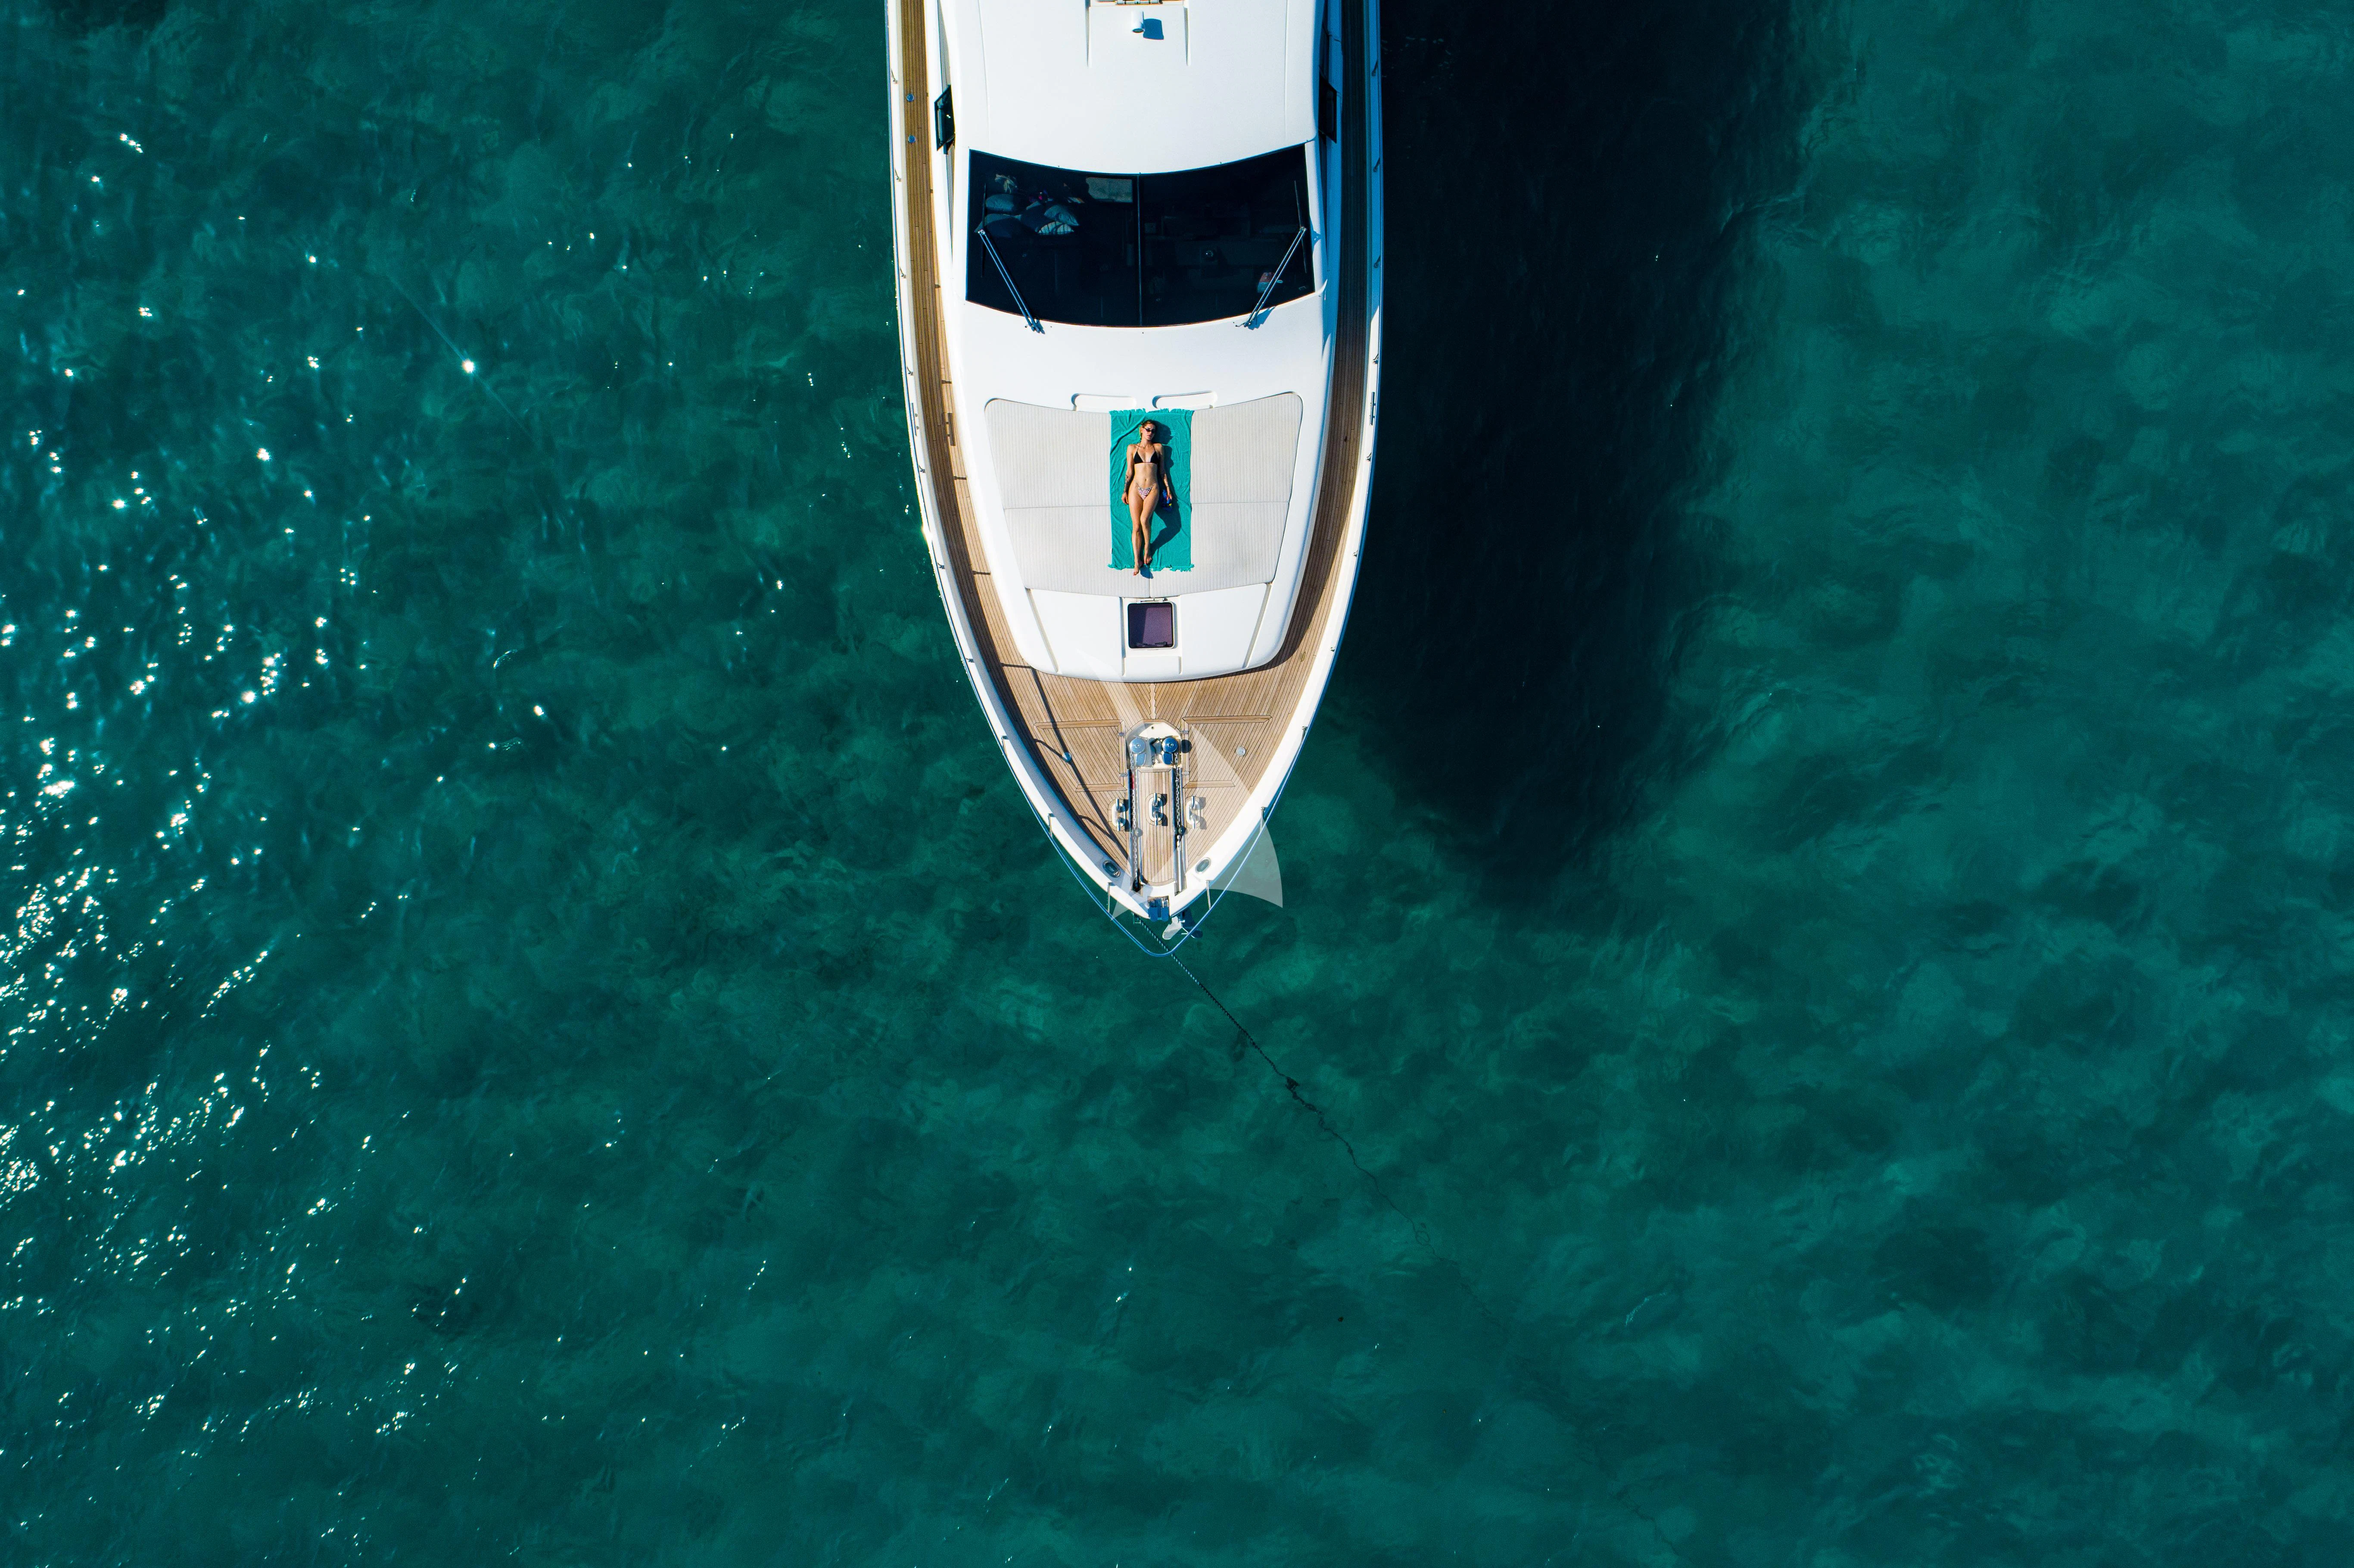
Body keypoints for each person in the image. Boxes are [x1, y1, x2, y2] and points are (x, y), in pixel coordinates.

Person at [1123, 420, 1173, 574]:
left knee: (1145, 520)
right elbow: (1130, 472)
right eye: (1148, 430)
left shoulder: (1159, 448)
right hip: (1136, 488)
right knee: (1136, 525)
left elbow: (1163, 471)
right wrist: (1125, 491)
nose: (1151, 433)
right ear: (1141, 430)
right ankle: (1136, 561)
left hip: (1153, 487)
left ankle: (1147, 547)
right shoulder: (1132, 448)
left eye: (1153, 431)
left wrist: (1168, 489)